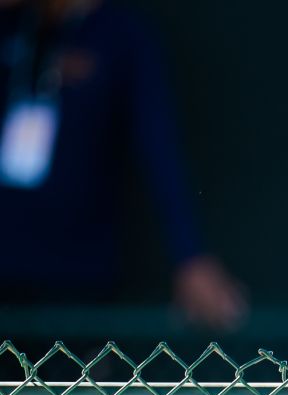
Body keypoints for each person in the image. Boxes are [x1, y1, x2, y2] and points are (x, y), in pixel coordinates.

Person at [0, 0, 246, 329]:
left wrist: (190, 256)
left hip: (76, 276)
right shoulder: (14, 26)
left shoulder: (122, 33)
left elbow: (160, 148)